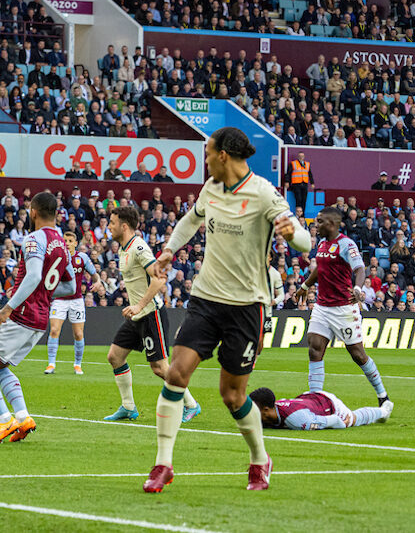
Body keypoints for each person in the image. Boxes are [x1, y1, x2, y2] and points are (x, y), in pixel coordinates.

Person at [145, 127, 312, 493]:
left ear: (223, 156)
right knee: (176, 374)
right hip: (206, 300)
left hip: (246, 307)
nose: (205, 161)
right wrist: (169, 250)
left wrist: (290, 233)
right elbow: (191, 220)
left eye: (207, 154)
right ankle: (163, 464)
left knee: (233, 396)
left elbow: (305, 240)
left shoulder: (264, 193)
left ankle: (259, 459)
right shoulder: (211, 189)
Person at [0, 191, 71, 444]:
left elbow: (34, 276)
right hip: (40, 319)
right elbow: (70, 286)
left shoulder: (34, 238)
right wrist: (45, 293)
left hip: (21, 314)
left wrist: (7, 308)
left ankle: (4, 420)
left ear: (33, 212)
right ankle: (23, 417)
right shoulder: (62, 243)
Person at [102, 206, 200, 424]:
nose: (109, 226)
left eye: (112, 222)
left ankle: (191, 404)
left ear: (124, 226)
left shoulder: (138, 248)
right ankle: (128, 407)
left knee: (159, 368)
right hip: (137, 315)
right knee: (114, 357)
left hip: (150, 314)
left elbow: (159, 280)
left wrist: (138, 306)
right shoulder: (123, 249)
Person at [291, 207, 389, 406]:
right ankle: (316, 399)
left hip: (344, 308)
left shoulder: (346, 244)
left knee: (358, 355)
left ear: (332, 224)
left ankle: (383, 396)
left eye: (320, 222)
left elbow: (360, 268)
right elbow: (320, 268)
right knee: (314, 349)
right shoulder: (322, 243)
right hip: (322, 306)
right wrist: (304, 286)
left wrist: (357, 288)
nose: (316, 226)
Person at [45, 230, 102, 375]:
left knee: (78, 333)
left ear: (76, 243)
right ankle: (51, 364)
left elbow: (95, 275)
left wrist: (98, 282)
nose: (68, 244)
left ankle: (77, 364)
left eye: (71, 241)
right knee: (54, 330)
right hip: (59, 300)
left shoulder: (81, 258)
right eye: (65, 241)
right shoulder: (57, 258)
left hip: (77, 300)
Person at [249, 388, 392, 430]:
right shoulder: (269, 414)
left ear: (266, 410)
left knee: (353, 419)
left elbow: (335, 420)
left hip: (329, 405)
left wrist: (344, 423)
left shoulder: (298, 421)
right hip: (308, 399)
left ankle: (383, 411)